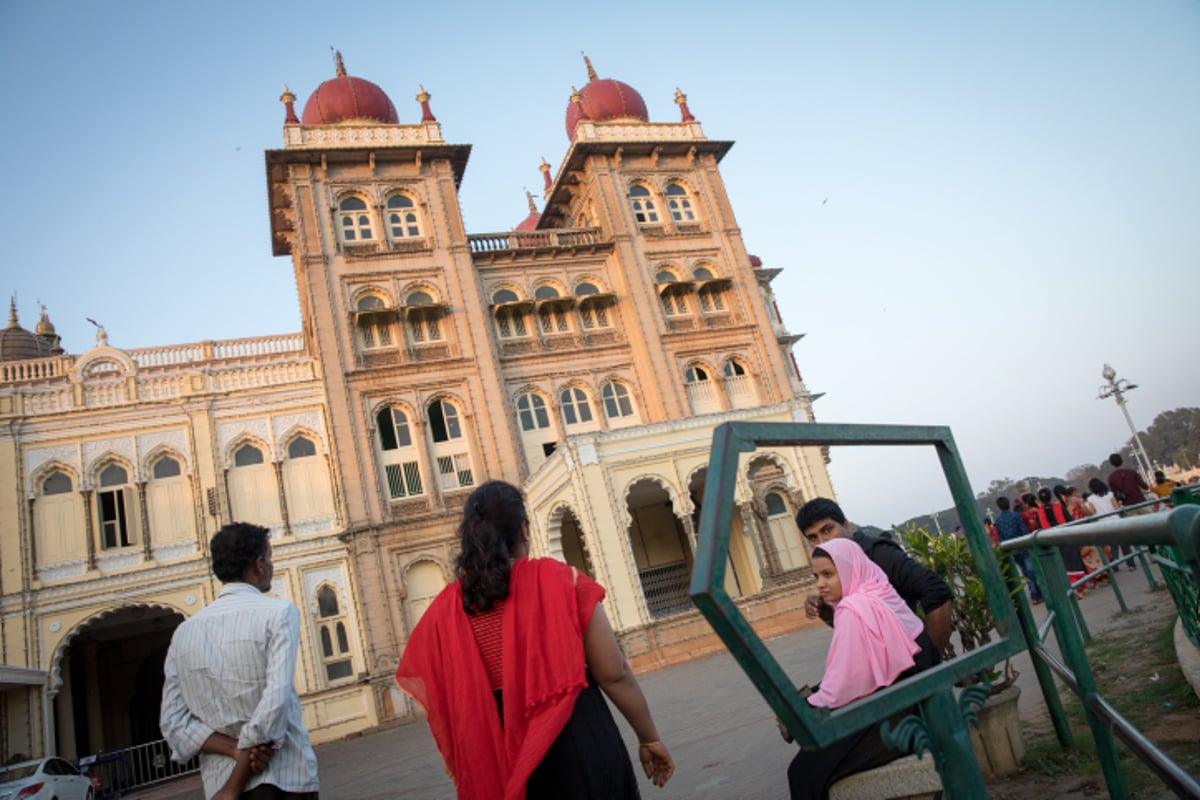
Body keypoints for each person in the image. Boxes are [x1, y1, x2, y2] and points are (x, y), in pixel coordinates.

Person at [395, 481, 673, 800]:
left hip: (498, 758)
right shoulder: (561, 581)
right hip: (578, 744)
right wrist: (649, 738)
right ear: (524, 530)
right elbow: (613, 672)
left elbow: (434, 688)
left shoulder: (445, 610)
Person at [160, 523, 319, 800]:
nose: (270, 564)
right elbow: (274, 704)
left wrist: (234, 750)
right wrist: (234, 784)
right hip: (283, 780)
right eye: (269, 557)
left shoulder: (184, 632)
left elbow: (173, 722)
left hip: (218, 786)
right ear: (259, 564)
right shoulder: (278, 613)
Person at [787, 538, 937, 800]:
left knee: (803, 770)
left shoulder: (854, 608)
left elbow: (841, 687)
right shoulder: (878, 590)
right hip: (915, 704)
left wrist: (806, 705)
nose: (820, 584)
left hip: (897, 718)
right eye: (817, 576)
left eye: (828, 574)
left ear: (848, 569)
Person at [795, 498, 952, 657]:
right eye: (813, 538)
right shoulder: (837, 565)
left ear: (846, 526)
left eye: (827, 530)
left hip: (907, 662)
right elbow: (857, 625)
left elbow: (937, 590)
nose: (822, 542)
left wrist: (930, 662)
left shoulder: (879, 554)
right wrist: (825, 611)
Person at [994, 497, 1040, 604]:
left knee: (1025, 571)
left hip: (1012, 549)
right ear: (1009, 504)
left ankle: (1034, 593)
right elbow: (1023, 530)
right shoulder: (1016, 516)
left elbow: (1000, 537)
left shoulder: (998, 521)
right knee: (1031, 570)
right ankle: (1035, 593)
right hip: (1023, 546)